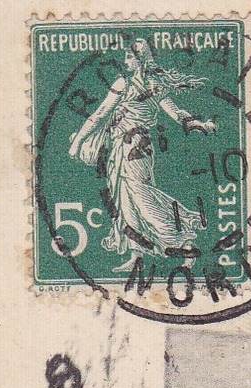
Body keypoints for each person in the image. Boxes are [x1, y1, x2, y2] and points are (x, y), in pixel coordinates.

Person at [65, 37, 217, 273]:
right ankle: (138, 254)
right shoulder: (151, 84)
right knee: (126, 201)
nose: (126, 61)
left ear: (140, 59)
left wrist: (78, 144)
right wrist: (195, 122)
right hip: (127, 148)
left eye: (130, 57)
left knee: (141, 198)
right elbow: (174, 112)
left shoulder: (126, 83)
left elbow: (99, 115)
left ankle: (185, 244)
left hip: (133, 149)